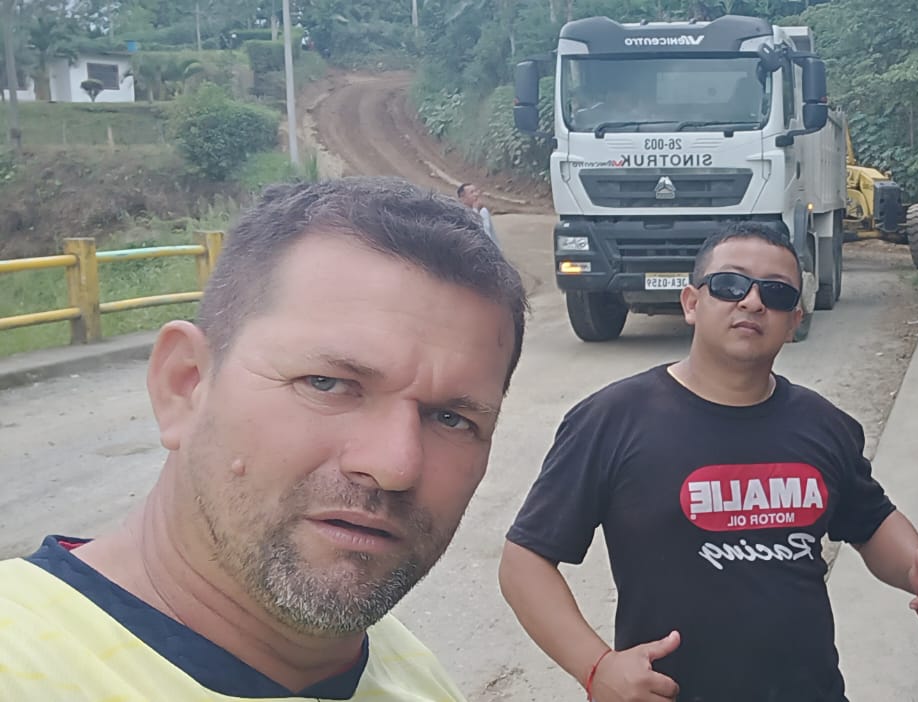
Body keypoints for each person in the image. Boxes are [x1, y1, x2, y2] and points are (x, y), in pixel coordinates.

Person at [0, 177, 528, 700]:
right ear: (185, 385)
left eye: (452, 419)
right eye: (327, 384)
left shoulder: (415, 676)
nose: (395, 465)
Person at [499, 221, 918, 702]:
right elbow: (524, 561)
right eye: (729, 284)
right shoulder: (611, 421)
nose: (752, 301)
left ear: (794, 321)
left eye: (776, 293)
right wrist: (597, 668)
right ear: (691, 303)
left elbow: (872, 521)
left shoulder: (824, 426)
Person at [457, 182, 500, 248]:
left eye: (476, 191)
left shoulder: (482, 211)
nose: (476, 194)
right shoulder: (460, 213)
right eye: (472, 192)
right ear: (462, 198)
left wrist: (475, 209)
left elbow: (484, 235)